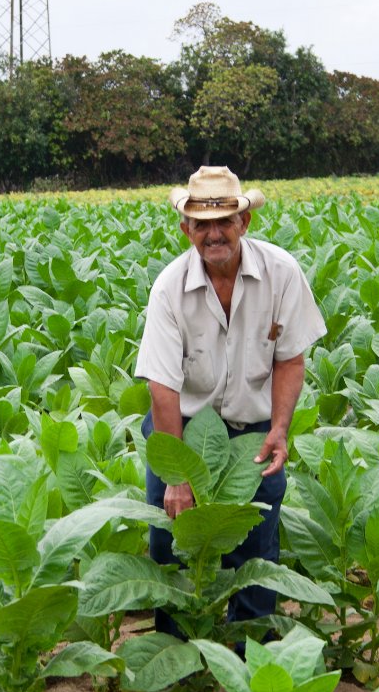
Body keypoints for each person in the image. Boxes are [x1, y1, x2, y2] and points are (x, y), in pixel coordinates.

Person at [135, 165, 326, 637]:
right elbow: (162, 386)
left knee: (256, 553)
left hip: (252, 436)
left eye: (225, 221)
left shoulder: (281, 273)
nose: (214, 233)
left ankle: (248, 658)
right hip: (181, 433)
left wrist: (280, 428)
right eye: (202, 224)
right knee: (171, 547)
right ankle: (175, 655)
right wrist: (178, 475)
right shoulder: (169, 289)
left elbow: (290, 360)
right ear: (186, 230)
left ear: (245, 222)